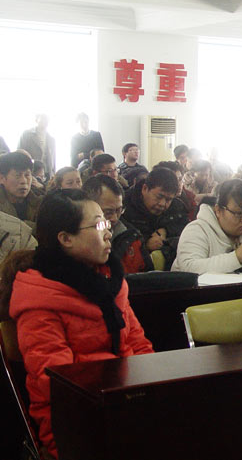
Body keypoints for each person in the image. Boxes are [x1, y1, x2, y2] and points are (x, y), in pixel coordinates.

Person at [3, 189, 153, 458]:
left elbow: (138, 344)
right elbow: (56, 385)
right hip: (75, 420)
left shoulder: (109, 281)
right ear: (65, 238)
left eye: (107, 223)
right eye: (98, 226)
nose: (109, 233)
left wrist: (155, 392)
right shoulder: (40, 296)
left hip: (124, 400)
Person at [172, 179, 242, 274]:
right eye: (238, 213)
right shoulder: (197, 230)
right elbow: (188, 268)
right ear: (218, 210)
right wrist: (236, 257)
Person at [122, 168, 189, 270]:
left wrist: (167, 230)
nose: (162, 204)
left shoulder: (177, 207)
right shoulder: (124, 206)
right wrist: (145, 243)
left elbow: (188, 235)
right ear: (145, 189)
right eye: (159, 197)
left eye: (168, 199)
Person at [84, 174, 153, 273]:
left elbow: (149, 275)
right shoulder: (79, 244)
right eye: (108, 212)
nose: (115, 218)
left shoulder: (132, 236)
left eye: (119, 210)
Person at [0, 151, 42, 226]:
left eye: (27, 175)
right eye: (17, 175)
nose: (24, 181)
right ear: (2, 178)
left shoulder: (42, 202)